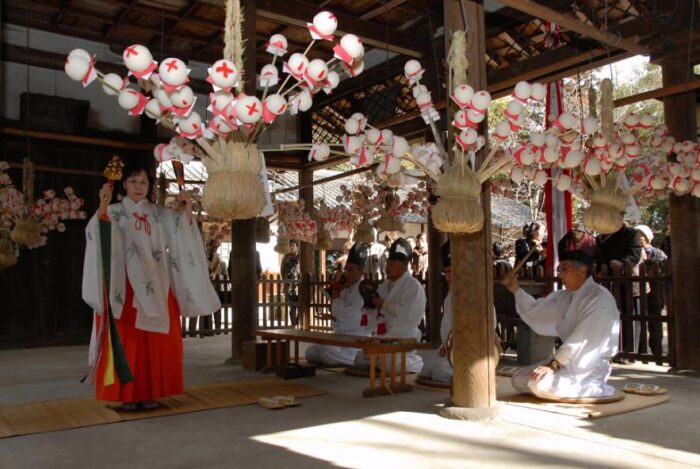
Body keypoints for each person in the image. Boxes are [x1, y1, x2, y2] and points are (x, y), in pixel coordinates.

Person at [82, 160, 220, 410]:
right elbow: (95, 234)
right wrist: (102, 205)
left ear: (150, 185)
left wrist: (187, 208)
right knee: (128, 342)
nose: (138, 186)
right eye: (133, 181)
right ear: (124, 184)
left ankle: (150, 392)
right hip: (123, 286)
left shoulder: (160, 214)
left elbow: (182, 231)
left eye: (144, 182)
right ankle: (126, 395)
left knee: (155, 342)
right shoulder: (113, 211)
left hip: (157, 282)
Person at [503, 250, 620, 399]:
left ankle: (596, 387)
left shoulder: (599, 298)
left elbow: (581, 339)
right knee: (518, 379)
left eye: (563, 269)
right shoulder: (566, 296)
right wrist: (515, 289)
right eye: (559, 269)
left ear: (582, 271)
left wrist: (553, 365)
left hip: (590, 365)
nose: (560, 274)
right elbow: (538, 310)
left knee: (538, 384)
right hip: (567, 361)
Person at [354, 238, 425, 373]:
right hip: (384, 336)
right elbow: (375, 309)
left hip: (403, 336)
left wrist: (384, 304)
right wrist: (371, 304)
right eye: (387, 263)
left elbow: (408, 314)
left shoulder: (412, 286)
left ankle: (415, 363)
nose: (387, 268)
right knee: (360, 359)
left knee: (387, 364)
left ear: (403, 267)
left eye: (391, 264)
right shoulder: (385, 285)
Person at [306, 243, 371, 366]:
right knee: (311, 351)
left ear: (361, 271)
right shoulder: (346, 289)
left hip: (356, 338)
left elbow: (352, 318)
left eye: (350, 269)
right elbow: (339, 315)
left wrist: (337, 300)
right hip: (340, 337)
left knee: (327, 354)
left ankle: (353, 361)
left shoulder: (365, 290)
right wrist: (333, 315)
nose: (346, 273)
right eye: (346, 269)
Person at [597, 221, 643, 359]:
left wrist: (622, 263)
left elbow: (634, 254)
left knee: (629, 315)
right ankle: (612, 350)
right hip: (607, 282)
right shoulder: (600, 238)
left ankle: (629, 352)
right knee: (609, 316)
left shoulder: (631, 234)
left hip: (626, 281)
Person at [418, 241, 453, 383]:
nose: (449, 276)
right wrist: (446, 345)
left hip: (466, 348)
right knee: (426, 370)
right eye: (446, 271)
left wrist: (452, 344)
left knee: (440, 372)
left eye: (452, 271)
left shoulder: (473, 290)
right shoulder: (451, 293)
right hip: (449, 347)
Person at [635, 224, 668, 356]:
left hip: (655, 293)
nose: (638, 239)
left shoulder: (658, 253)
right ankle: (640, 350)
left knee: (655, 323)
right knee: (640, 321)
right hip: (640, 293)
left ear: (647, 238)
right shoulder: (635, 253)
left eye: (640, 236)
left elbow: (664, 269)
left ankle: (657, 350)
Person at [280, 240, 300, 325]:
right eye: (290, 246)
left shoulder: (301, 256)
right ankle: (293, 324)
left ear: (297, 247)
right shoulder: (286, 257)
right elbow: (282, 270)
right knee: (292, 307)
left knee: (301, 306)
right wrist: (286, 278)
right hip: (289, 285)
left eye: (293, 245)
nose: (291, 247)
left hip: (299, 285)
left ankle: (298, 321)